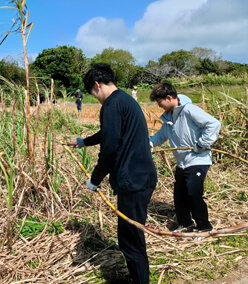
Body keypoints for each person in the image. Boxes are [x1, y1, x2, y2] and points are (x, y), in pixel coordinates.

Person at [74, 63, 157, 283]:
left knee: (130, 240)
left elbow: (109, 149)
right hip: (143, 176)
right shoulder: (125, 100)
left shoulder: (111, 105)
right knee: (132, 236)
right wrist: (85, 142)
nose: (96, 98)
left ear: (97, 85)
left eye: (93, 94)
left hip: (132, 180)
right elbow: (109, 132)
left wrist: (94, 179)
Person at [149, 82, 220, 235]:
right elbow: (161, 136)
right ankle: (186, 224)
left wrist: (201, 144)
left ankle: (204, 228)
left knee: (193, 194)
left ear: (168, 97)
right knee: (179, 195)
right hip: (182, 162)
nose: (159, 105)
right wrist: (147, 143)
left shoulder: (189, 110)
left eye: (159, 101)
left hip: (197, 160)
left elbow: (213, 124)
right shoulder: (169, 117)